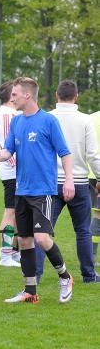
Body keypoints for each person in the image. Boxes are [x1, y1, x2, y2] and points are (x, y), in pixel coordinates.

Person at [0, 76, 75, 304]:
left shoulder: (48, 121)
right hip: (21, 191)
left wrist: (69, 180)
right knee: (24, 241)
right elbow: (8, 150)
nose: (12, 98)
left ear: (27, 95)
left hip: (43, 192)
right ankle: (30, 291)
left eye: (14, 95)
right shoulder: (17, 122)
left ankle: (65, 276)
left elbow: (65, 152)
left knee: (42, 238)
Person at [35, 80, 100, 283]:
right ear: (76, 96)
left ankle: (35, 276)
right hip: (79, 181)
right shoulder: (85, 120)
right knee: (83, 231)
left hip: (50, 183)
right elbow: (93, 154)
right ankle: (89, 275)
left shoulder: (46, 118)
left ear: (56, 95)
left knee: (42, 231)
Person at [0, 81, 21, 267]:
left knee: (18, 212)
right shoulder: (6, 114)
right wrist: (18, 167)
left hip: (16, 171)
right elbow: (6, 147)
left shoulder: (11, 113)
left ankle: (15, 252)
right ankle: (5, 254)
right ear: (11, 95)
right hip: (12, 171)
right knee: (10, 212)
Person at [90, 110, 100, 267]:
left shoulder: (90, 117)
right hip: (98, 172)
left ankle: (90, 255)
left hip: (87, 172)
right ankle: (90, 255)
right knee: (98, 216)